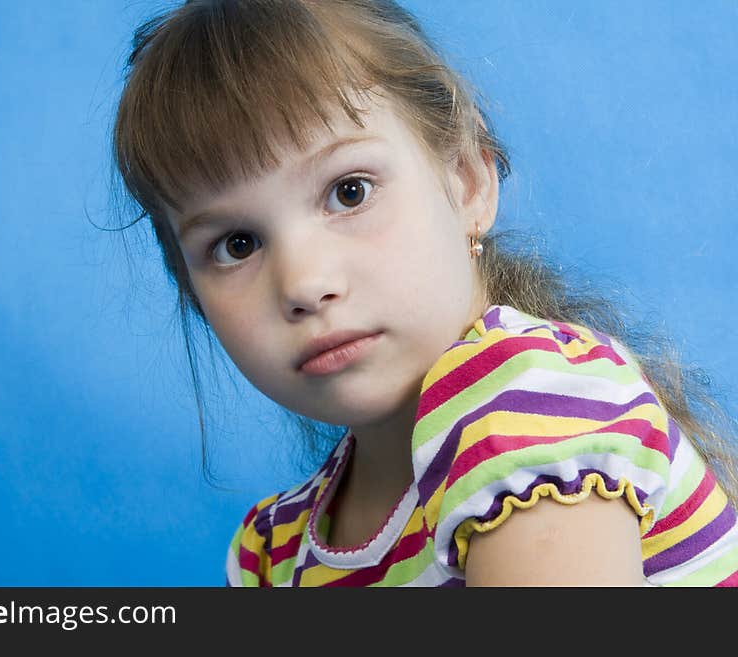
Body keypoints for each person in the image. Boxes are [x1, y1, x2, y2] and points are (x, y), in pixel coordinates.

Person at [109, 0, 738, 586]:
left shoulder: (536, 413)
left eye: (349, 191)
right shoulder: (272, 555)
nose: (305, 283)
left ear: (467, 183)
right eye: (237, 244)